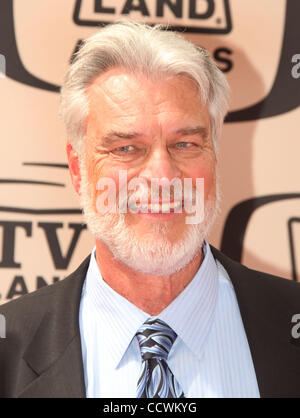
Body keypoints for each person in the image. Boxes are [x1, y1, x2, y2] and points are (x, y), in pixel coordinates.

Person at [0, 21, 300, 399]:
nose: (162, 176)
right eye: (126, 148)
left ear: (215, 156)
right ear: (78, 169)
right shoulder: (8, 350)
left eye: (185, 144)